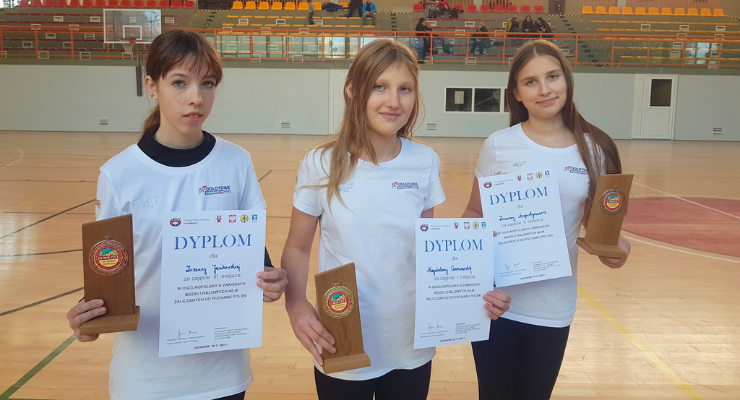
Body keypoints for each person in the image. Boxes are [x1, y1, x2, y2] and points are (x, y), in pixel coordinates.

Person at [66, 29, 289, 400]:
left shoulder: (236, 162)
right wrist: (87, 320)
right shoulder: (119, 175)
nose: (196, 97)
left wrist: (271, 281)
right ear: (152, 86)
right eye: (180, 83)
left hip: (223, 374)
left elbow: (254, 258)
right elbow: (108, 276)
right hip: (147, 378)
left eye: (208, 83)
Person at [282, 39, 510, 400]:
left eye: (405, 89)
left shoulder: (425, 160)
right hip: (342, 338)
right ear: (352, 90)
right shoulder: (320, 163)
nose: (394, 101)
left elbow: (428, 252)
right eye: (379, 87)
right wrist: (295, 304)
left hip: (410, 341)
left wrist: (476, 293)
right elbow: (297, 248)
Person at [462, 40, 630, 400]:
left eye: (552, 77)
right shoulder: (498, 145)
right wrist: (463, 273)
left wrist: (617, 248)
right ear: (516, 93)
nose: (544, 89)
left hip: (552, 307)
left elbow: (600, 228)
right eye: (531, 82)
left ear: (566, 80)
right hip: (496, 304)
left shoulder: (595, 149)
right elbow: (475, 214)